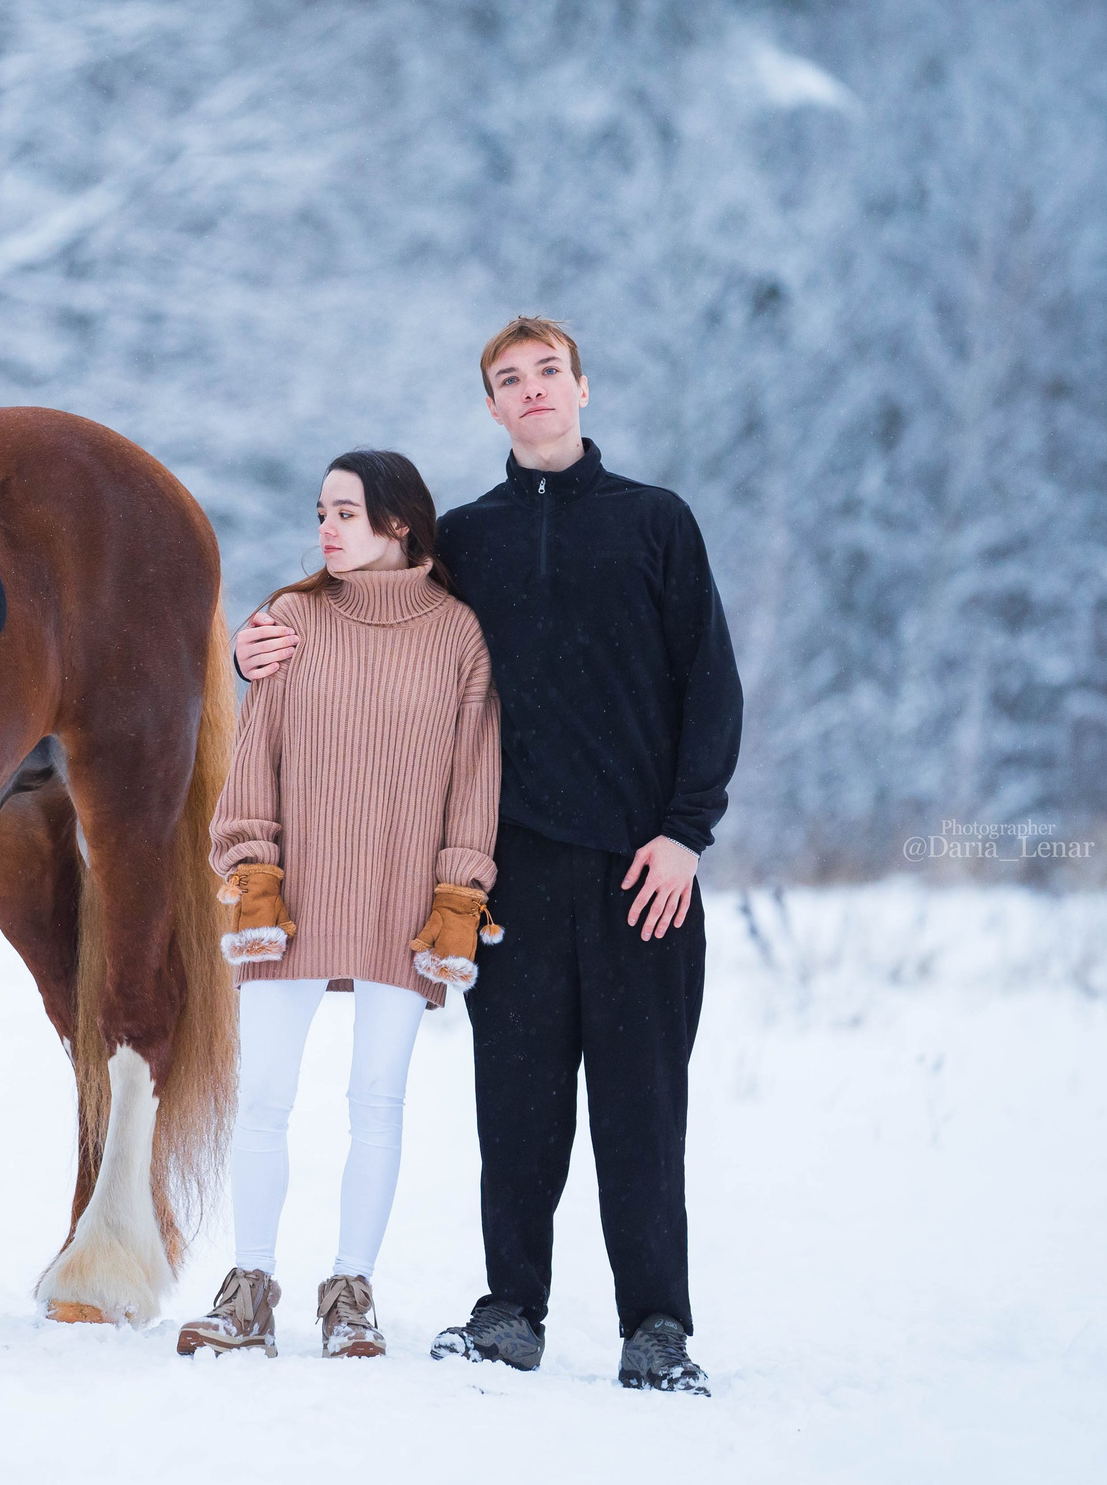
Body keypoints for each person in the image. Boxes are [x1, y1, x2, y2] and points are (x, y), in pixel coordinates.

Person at [232, 317, 742, 1395]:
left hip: (639, 873)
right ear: (491, 407)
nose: (530, 390)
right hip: (506, 874)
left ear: (581, 387)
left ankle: (656, 1326)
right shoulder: (471, 536)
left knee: (641, 1105)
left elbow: (711, 683)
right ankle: (510, 1309)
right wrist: (255, 639)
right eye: (507, 380)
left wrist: (684, 832)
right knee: (515, 1104)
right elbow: (371, 588)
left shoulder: (656, 523)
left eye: (546, 371)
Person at [176, 449, 502, 1361]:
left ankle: (351, 1294)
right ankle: (247, 1292)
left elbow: (474, 778)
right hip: (291, 897)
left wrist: (459, 893)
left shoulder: (458, 637)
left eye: (347, 513)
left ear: (399, 523)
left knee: (377, 1102)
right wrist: (252, 871)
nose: (326, 527)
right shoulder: (293, 619)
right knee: (264, 1100)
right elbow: (256, 759)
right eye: (321, 509)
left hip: (406, 904)